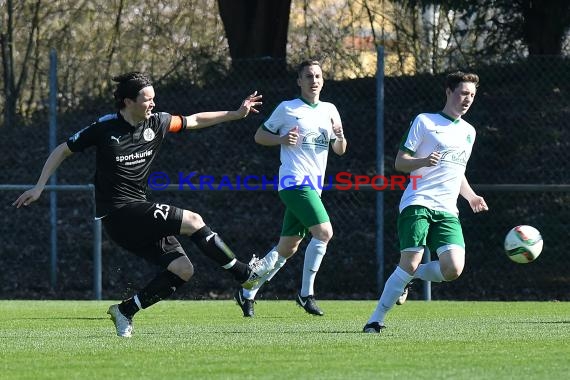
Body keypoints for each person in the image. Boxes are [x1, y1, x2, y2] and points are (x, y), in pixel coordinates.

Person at [13, 72, 274, 337]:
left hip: (139, 211)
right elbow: (62, 149)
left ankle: (125, 311)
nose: (153, 104)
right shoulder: (104, 128)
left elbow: (194, 120)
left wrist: (235, 113)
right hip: (117, 214)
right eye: (147, 99)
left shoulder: (158, 122)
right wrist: (39, 186)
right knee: (194, 221)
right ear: (128, 101)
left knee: (183, 270)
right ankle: (245, 274)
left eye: (154, 99)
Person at [362, 71, 489, 333]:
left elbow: (457, 172)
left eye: (472, 95)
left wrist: (471, 196)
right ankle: (375, 320)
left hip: (447, 210)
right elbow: (399, 162)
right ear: (448, 92)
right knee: (408, 261)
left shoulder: (469, 131)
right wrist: (423, 161)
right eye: (463, 93)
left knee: (453, 268)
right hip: (418, 201)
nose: (467, 99)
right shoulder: (424, 121)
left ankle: (412, 276)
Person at [233, 59, 347, 317]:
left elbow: (340, 150)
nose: (314, 80)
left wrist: (339, 136)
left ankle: (248, 289)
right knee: (324, 233)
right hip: (293, 181)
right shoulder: (287, 108)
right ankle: (306, 293)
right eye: (308, 76)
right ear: (299, 81)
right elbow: (259, 136)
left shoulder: (330, 109)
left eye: (318, 76)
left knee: (288, 247)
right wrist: (282, 139)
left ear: (323, 80)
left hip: (314, 187)